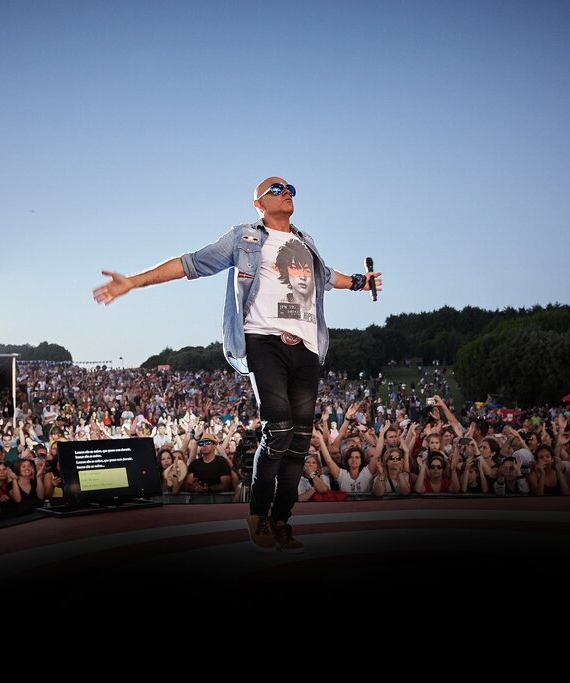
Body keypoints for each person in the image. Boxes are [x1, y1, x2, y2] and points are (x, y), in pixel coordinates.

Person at [93, 176, 382, 552]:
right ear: (258, 204)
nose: (286, 193)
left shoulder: (306, 242)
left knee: (299, 441)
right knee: (278, 429)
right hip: (263, 340)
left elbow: (328, 278)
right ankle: (258, 514)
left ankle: (281, 520)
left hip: (308, 347)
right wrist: (133, 281)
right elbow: (191, 263)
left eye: (290, 189)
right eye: (276, 189)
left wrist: (360, 282)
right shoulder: (244, 237)